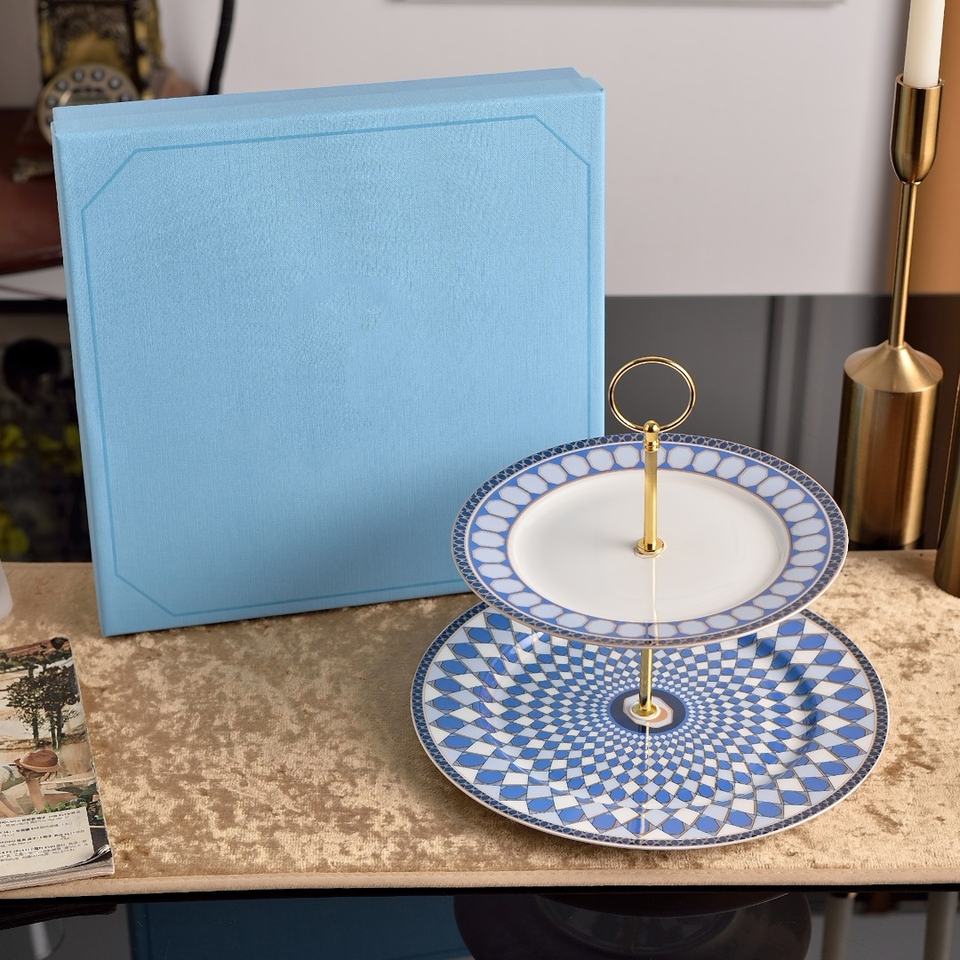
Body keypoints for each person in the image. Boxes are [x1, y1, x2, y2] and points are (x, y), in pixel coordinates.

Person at [0, 748, 60, 816]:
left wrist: (43, 813)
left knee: (16, 815)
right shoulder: (4, 773)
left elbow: (35, 794)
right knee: (9, 815)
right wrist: (11, 815)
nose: (43, 775)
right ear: (31, 771)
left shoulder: (30, 775)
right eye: (42, 773)